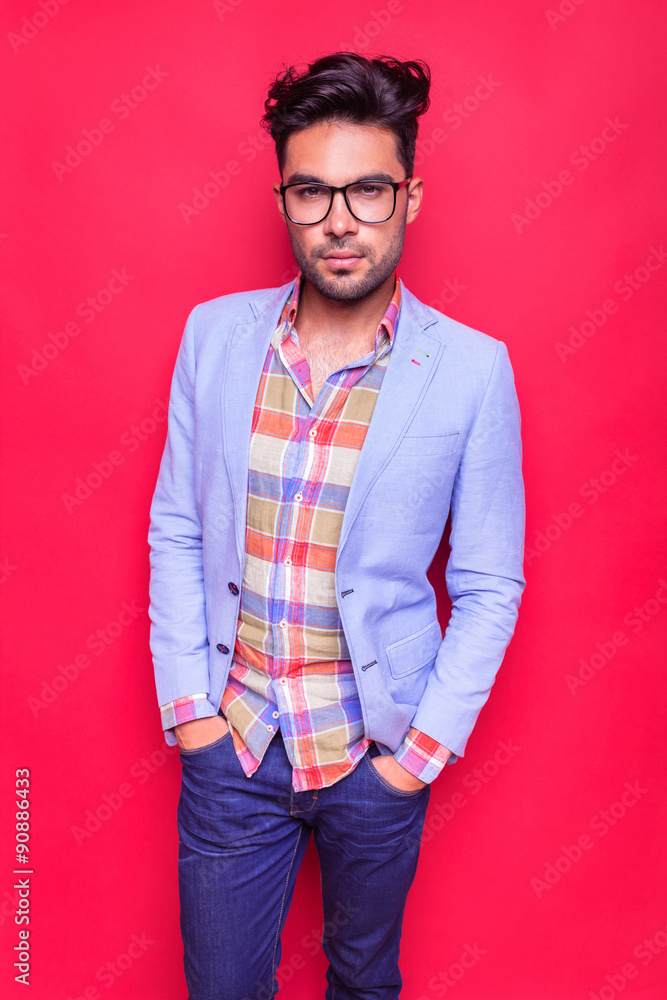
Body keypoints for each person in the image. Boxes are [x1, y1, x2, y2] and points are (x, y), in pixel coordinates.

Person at [147, 51, 526, 1000]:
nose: (340, 222)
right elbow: (177, 529)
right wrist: (189, 709)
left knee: (362, 980)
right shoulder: (214, 337)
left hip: (375, 751)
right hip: (232, 743)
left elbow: (488, 583)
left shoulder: (473, 370)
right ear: (282, 198)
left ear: (411, 196)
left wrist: (419, 754)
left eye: (367, 190)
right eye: (312, 192)